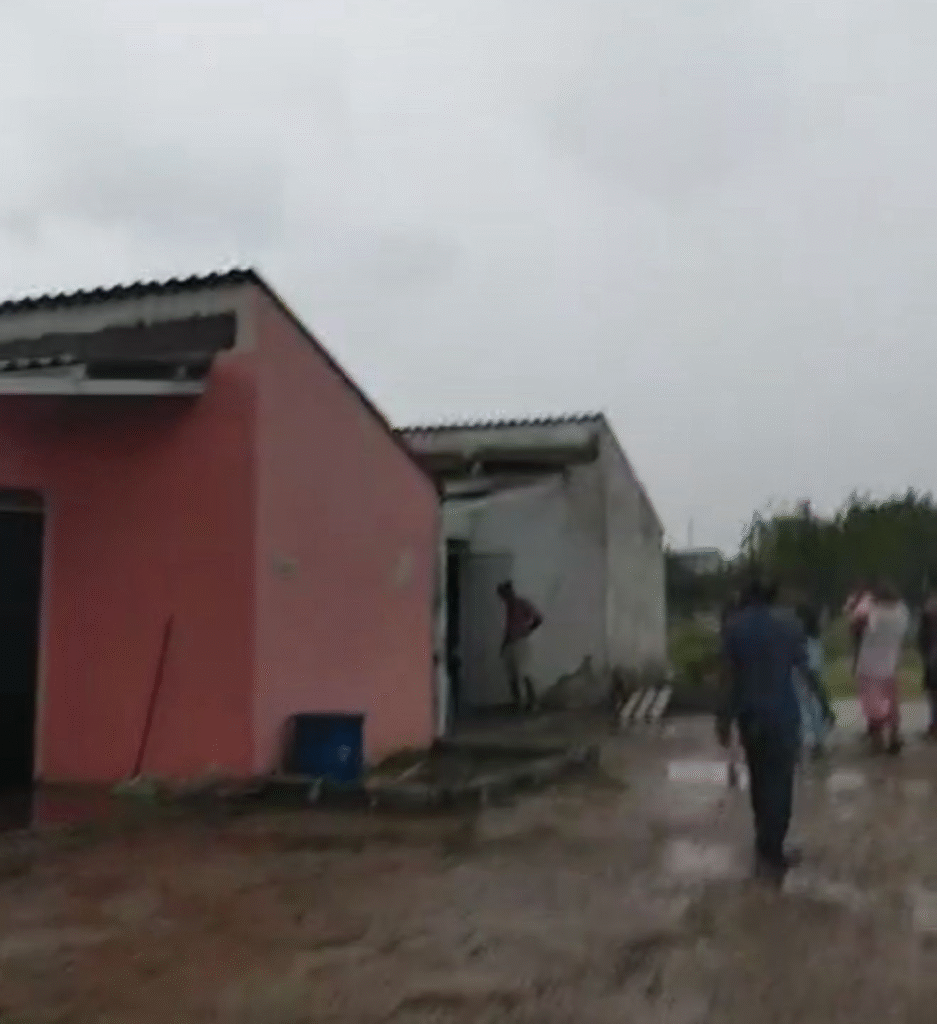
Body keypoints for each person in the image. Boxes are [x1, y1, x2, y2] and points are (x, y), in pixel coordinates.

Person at [718, 575, 811, 886]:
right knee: (781, 784)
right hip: (783, 715)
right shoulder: (790, 625)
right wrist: (824, 704)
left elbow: (730, 679)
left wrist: (723, 718)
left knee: (759, 781)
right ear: (773, 596)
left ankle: (764, 845)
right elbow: (804, 669)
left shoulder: (734, 627)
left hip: (751, 717)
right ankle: (773, 850)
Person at [850, 580, 909, 754]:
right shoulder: (902, 611)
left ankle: (877, 742)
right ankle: (894, 737)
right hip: (891, 663)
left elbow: (855, 627)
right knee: (891, 703)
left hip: (869, 665)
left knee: (872, 705)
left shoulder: (872, 611)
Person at [792, 604, 834, 757]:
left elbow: (812, 673)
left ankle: (815, 746)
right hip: (808, 697)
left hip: (806, 694)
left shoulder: (805, 644)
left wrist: (825, 705)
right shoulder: (813, 643)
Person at [496, 580, 542, 712]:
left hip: (520, 642)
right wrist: (504, 645)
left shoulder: (521, 604)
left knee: (524, 673)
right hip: (511, 643)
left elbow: (538, 618)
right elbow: (508, 628)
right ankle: (518, 703)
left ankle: (533, 702)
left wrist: (527, 631)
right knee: (512, 676)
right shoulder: (507, 607)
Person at [917, 593, 937, 738]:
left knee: (933, 693)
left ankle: (934, 726)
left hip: (932, 663)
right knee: (932, 693)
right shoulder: (926, 630)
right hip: (931, 663)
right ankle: (933, 724)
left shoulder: (926, 629)